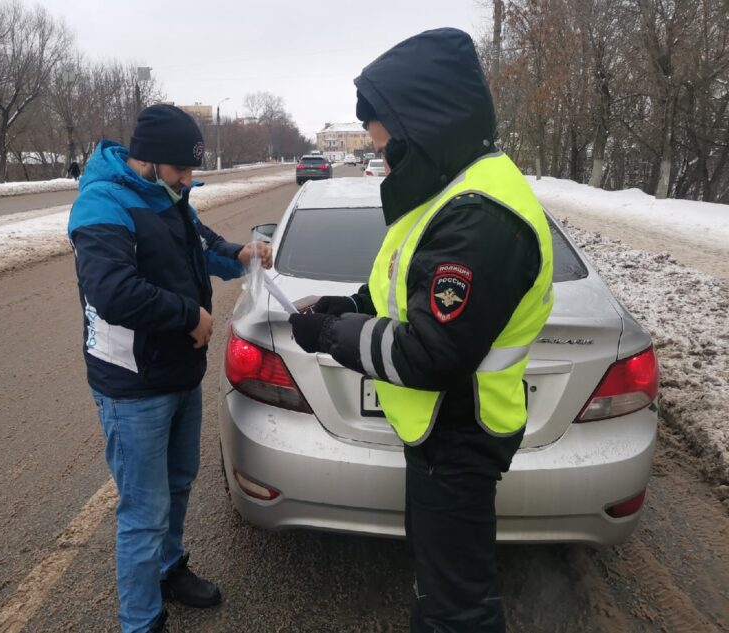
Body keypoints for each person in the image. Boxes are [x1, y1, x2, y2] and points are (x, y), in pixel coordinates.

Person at [288, 29, 554, 633]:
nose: (384, 163)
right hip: (439, 432)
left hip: (460, 434)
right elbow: (407, 290)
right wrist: (346, 300)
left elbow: (432, 352)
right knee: (438, 581)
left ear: (427, 131)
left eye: (390, 149)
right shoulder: (452, 193)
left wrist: (332, 332)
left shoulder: (480, 216)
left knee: (458, 607)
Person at [67, 104, 272, 633]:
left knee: (179, 483)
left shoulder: (171, 195)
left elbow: (198, 247)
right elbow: (111, 291)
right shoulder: (102, 202)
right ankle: (141, 620)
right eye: (181, 168)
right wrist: (188, 316)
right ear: (150, 159)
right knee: (142, 511)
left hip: (179, 373)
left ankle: (169, 570)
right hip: (132, 386)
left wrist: (242, 255)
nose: (188, 179)